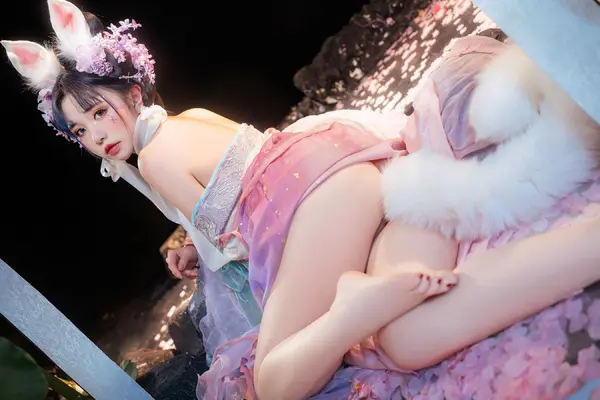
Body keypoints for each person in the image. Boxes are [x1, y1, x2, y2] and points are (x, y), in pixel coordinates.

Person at [5, 2, 600, 399]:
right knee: (404, 339)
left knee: (274, 381)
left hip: (317, 204)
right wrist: (195, 242)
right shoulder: (191, 118)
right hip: (345, 164)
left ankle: (348, 310)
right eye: (81, 131)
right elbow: (238, 174)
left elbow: (230, 246)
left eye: (98, 113)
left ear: (132, 93)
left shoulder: (155, 159)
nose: (97, 135)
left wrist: (243, 273)